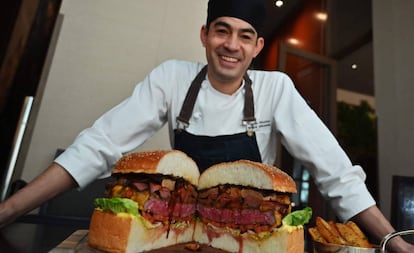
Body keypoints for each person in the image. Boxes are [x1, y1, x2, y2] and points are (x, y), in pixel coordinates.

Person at [0, 0, 412, 252]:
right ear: (205, 35)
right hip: (176, 235)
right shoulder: (172, 78)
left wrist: (391, 240)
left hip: (254, 240)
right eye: (222, 31)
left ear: (257, 47)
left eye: (245, 36)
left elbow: (334, 171)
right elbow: (99, 145)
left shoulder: (276, 89)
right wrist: (11, 209)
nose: (232, 45)